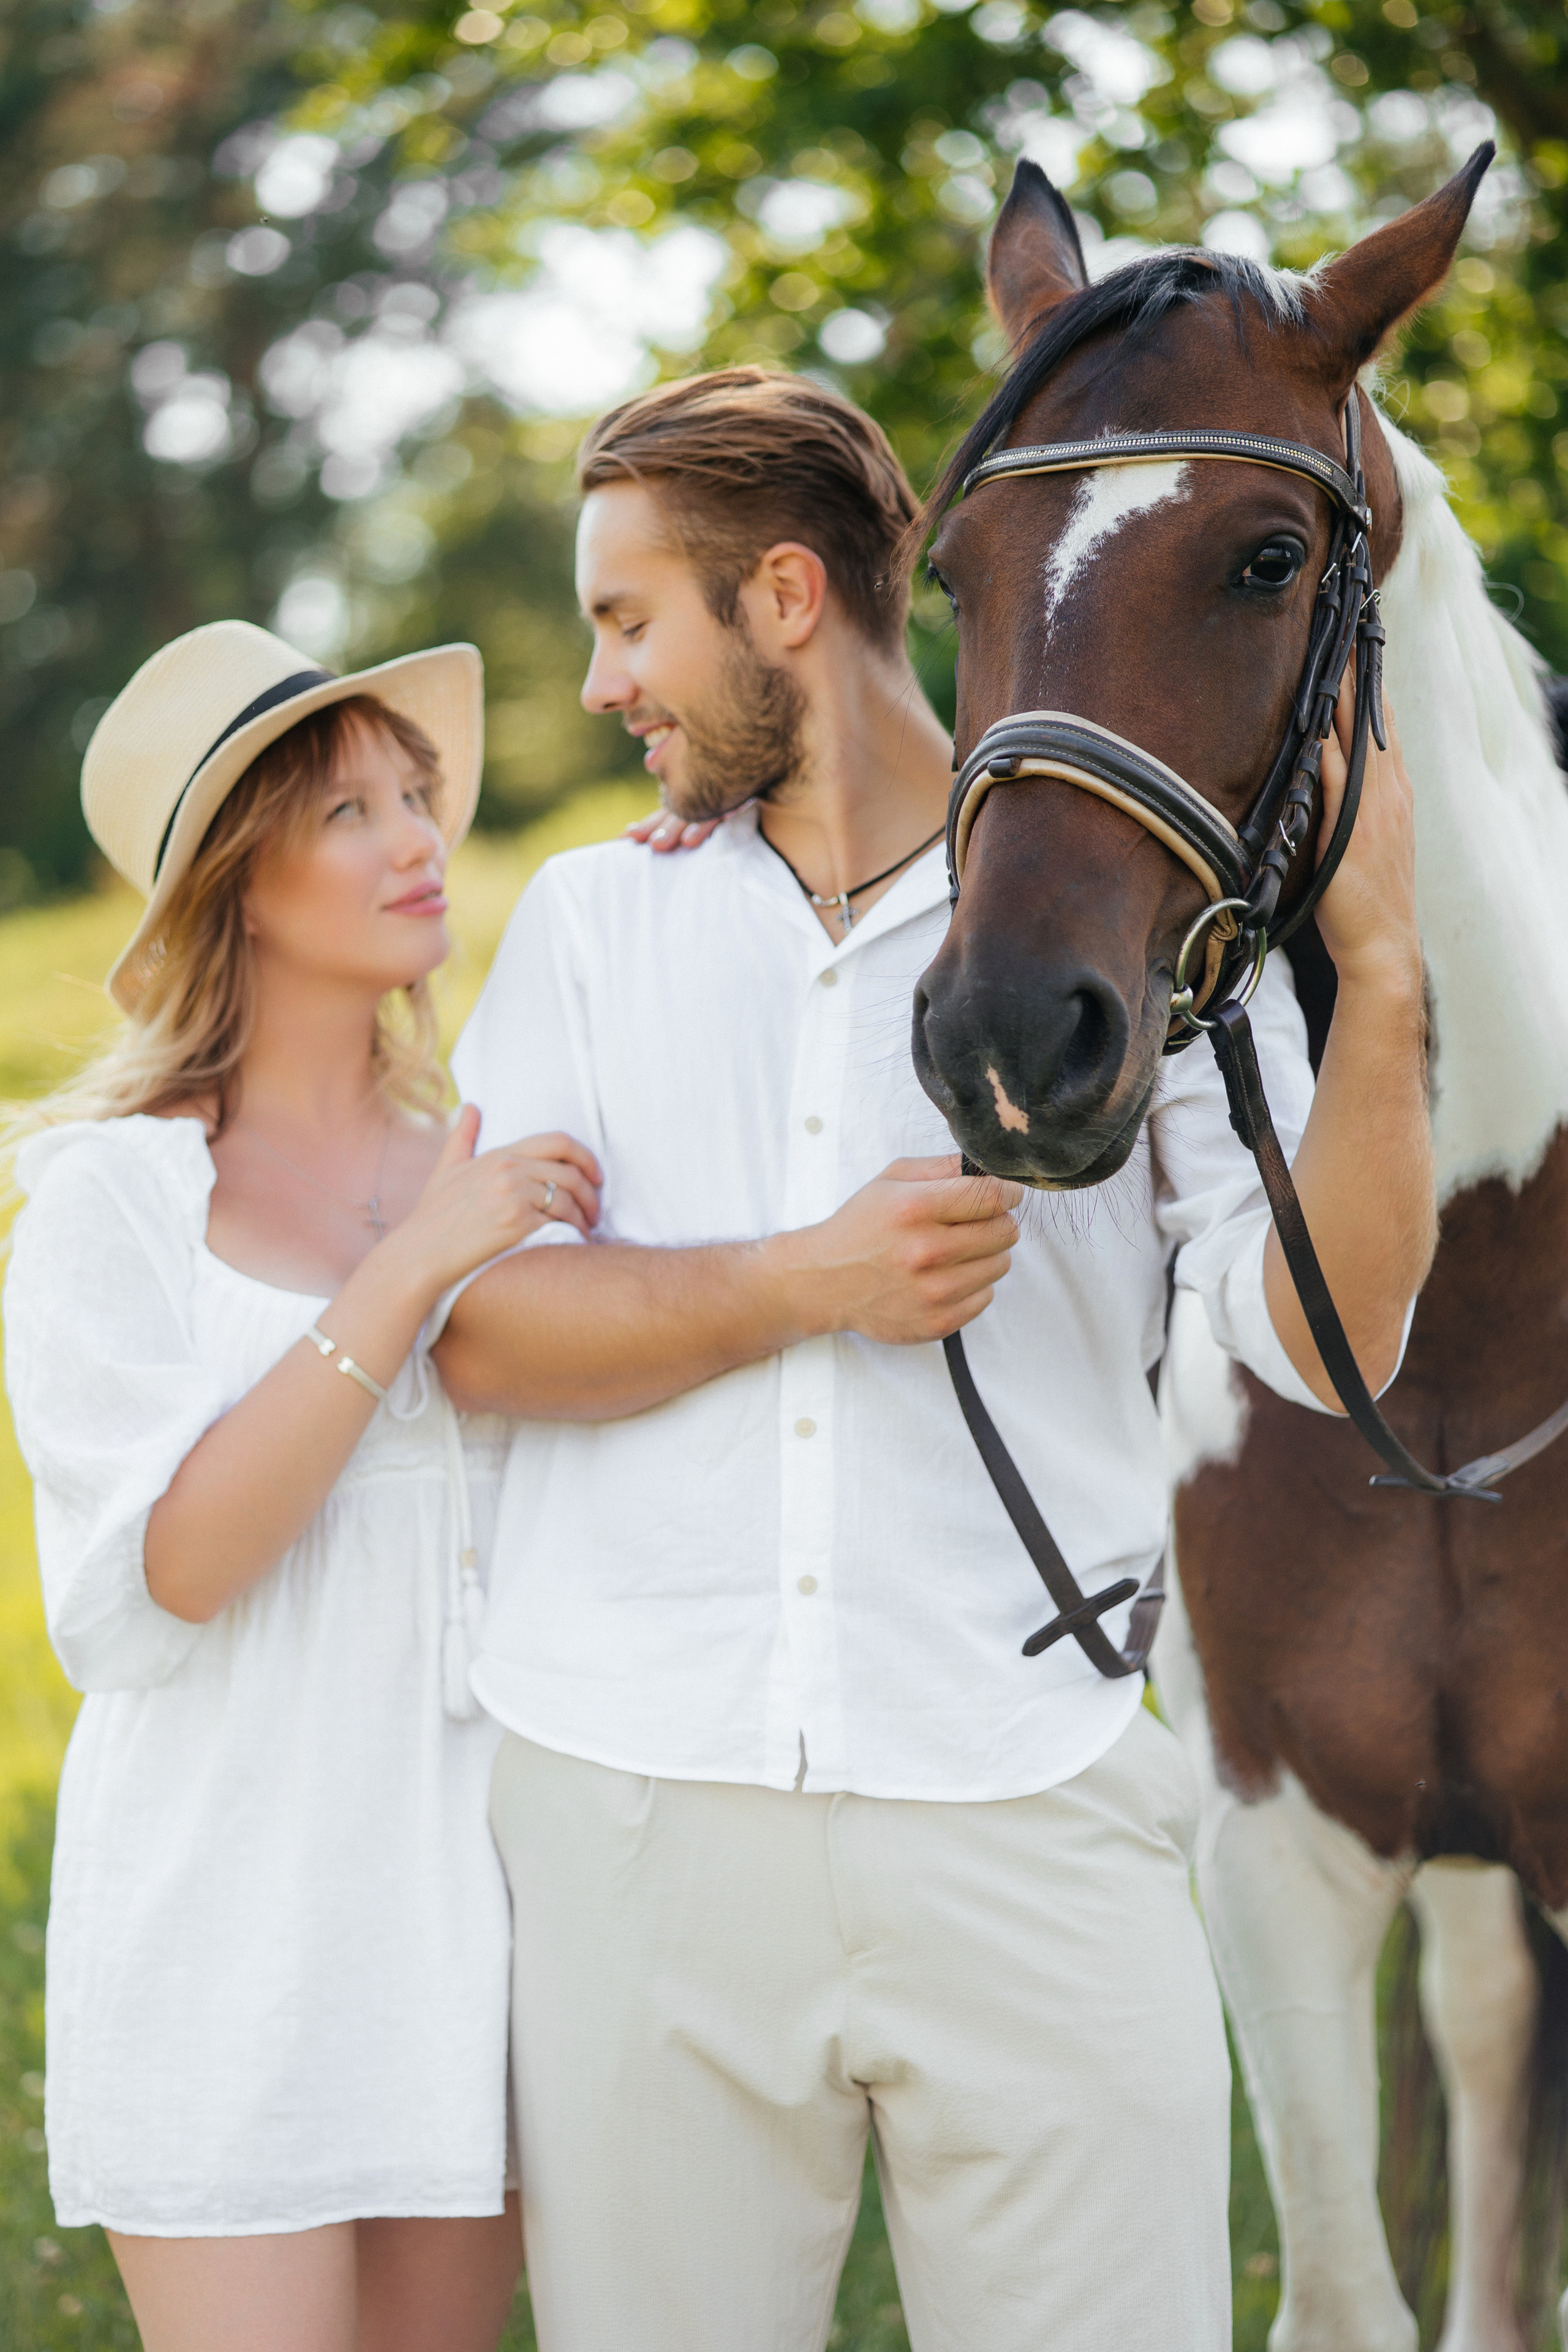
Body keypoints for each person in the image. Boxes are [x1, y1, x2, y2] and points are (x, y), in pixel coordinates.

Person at [434, 368, 1431, 2351]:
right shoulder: (588, 925)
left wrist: (1382, 975)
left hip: (1029, 1801)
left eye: (628, 621)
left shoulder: (1146, 929)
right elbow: (482, 1331)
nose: (603, 684)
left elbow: (1329, 1339)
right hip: (638, 1809)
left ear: (784, 599)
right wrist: (807, 1280)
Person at [3, 620, 600, 2352]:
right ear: (238, 890)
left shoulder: (495, 1162)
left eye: (415, 796)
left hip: (469, 1927)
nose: (418, 839)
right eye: (350, 813)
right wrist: (407, 1275)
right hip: (225, 1936)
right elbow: (176, 1567)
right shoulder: (110, 1199)